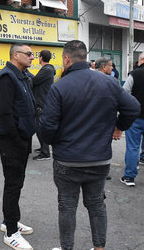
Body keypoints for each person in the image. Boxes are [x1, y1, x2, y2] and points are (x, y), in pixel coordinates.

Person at [41, 40, 139, 250]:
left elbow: (47, 127)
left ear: (67, 59)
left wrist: (55, 141)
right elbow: (133, 107)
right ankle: (99, 248)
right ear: (85, 58)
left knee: (67, 207)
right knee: (96, 205)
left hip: (67, 160)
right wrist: (118, 127)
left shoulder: (59, 88)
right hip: (99, 158)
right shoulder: (109, 82)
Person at [0, 43, 36, 250]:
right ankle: (10, 233)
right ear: (15, 55)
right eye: (28, 54)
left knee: (17, 182)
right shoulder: (7, 77)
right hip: (12, 141)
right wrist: (18, 140)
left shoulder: (22, 76)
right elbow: (5, 113)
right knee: (12, 184)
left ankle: (10, 220)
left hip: (21, 139)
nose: (32, 57)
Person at [121, 52, 144, 186]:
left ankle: (129, 177)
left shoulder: (134, 74)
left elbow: (124, 93)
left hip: (136, 117)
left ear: (141, 60)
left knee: (133, 147)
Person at [32, 50, 55, 161]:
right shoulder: (47, 70)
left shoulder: (47, 70)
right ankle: (43, 148)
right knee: (39, 128)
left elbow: (35, 81)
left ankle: (45, 153)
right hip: (41, 102)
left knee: (39, 128)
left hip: (41, 103)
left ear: (40, 58)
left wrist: (25, 73)